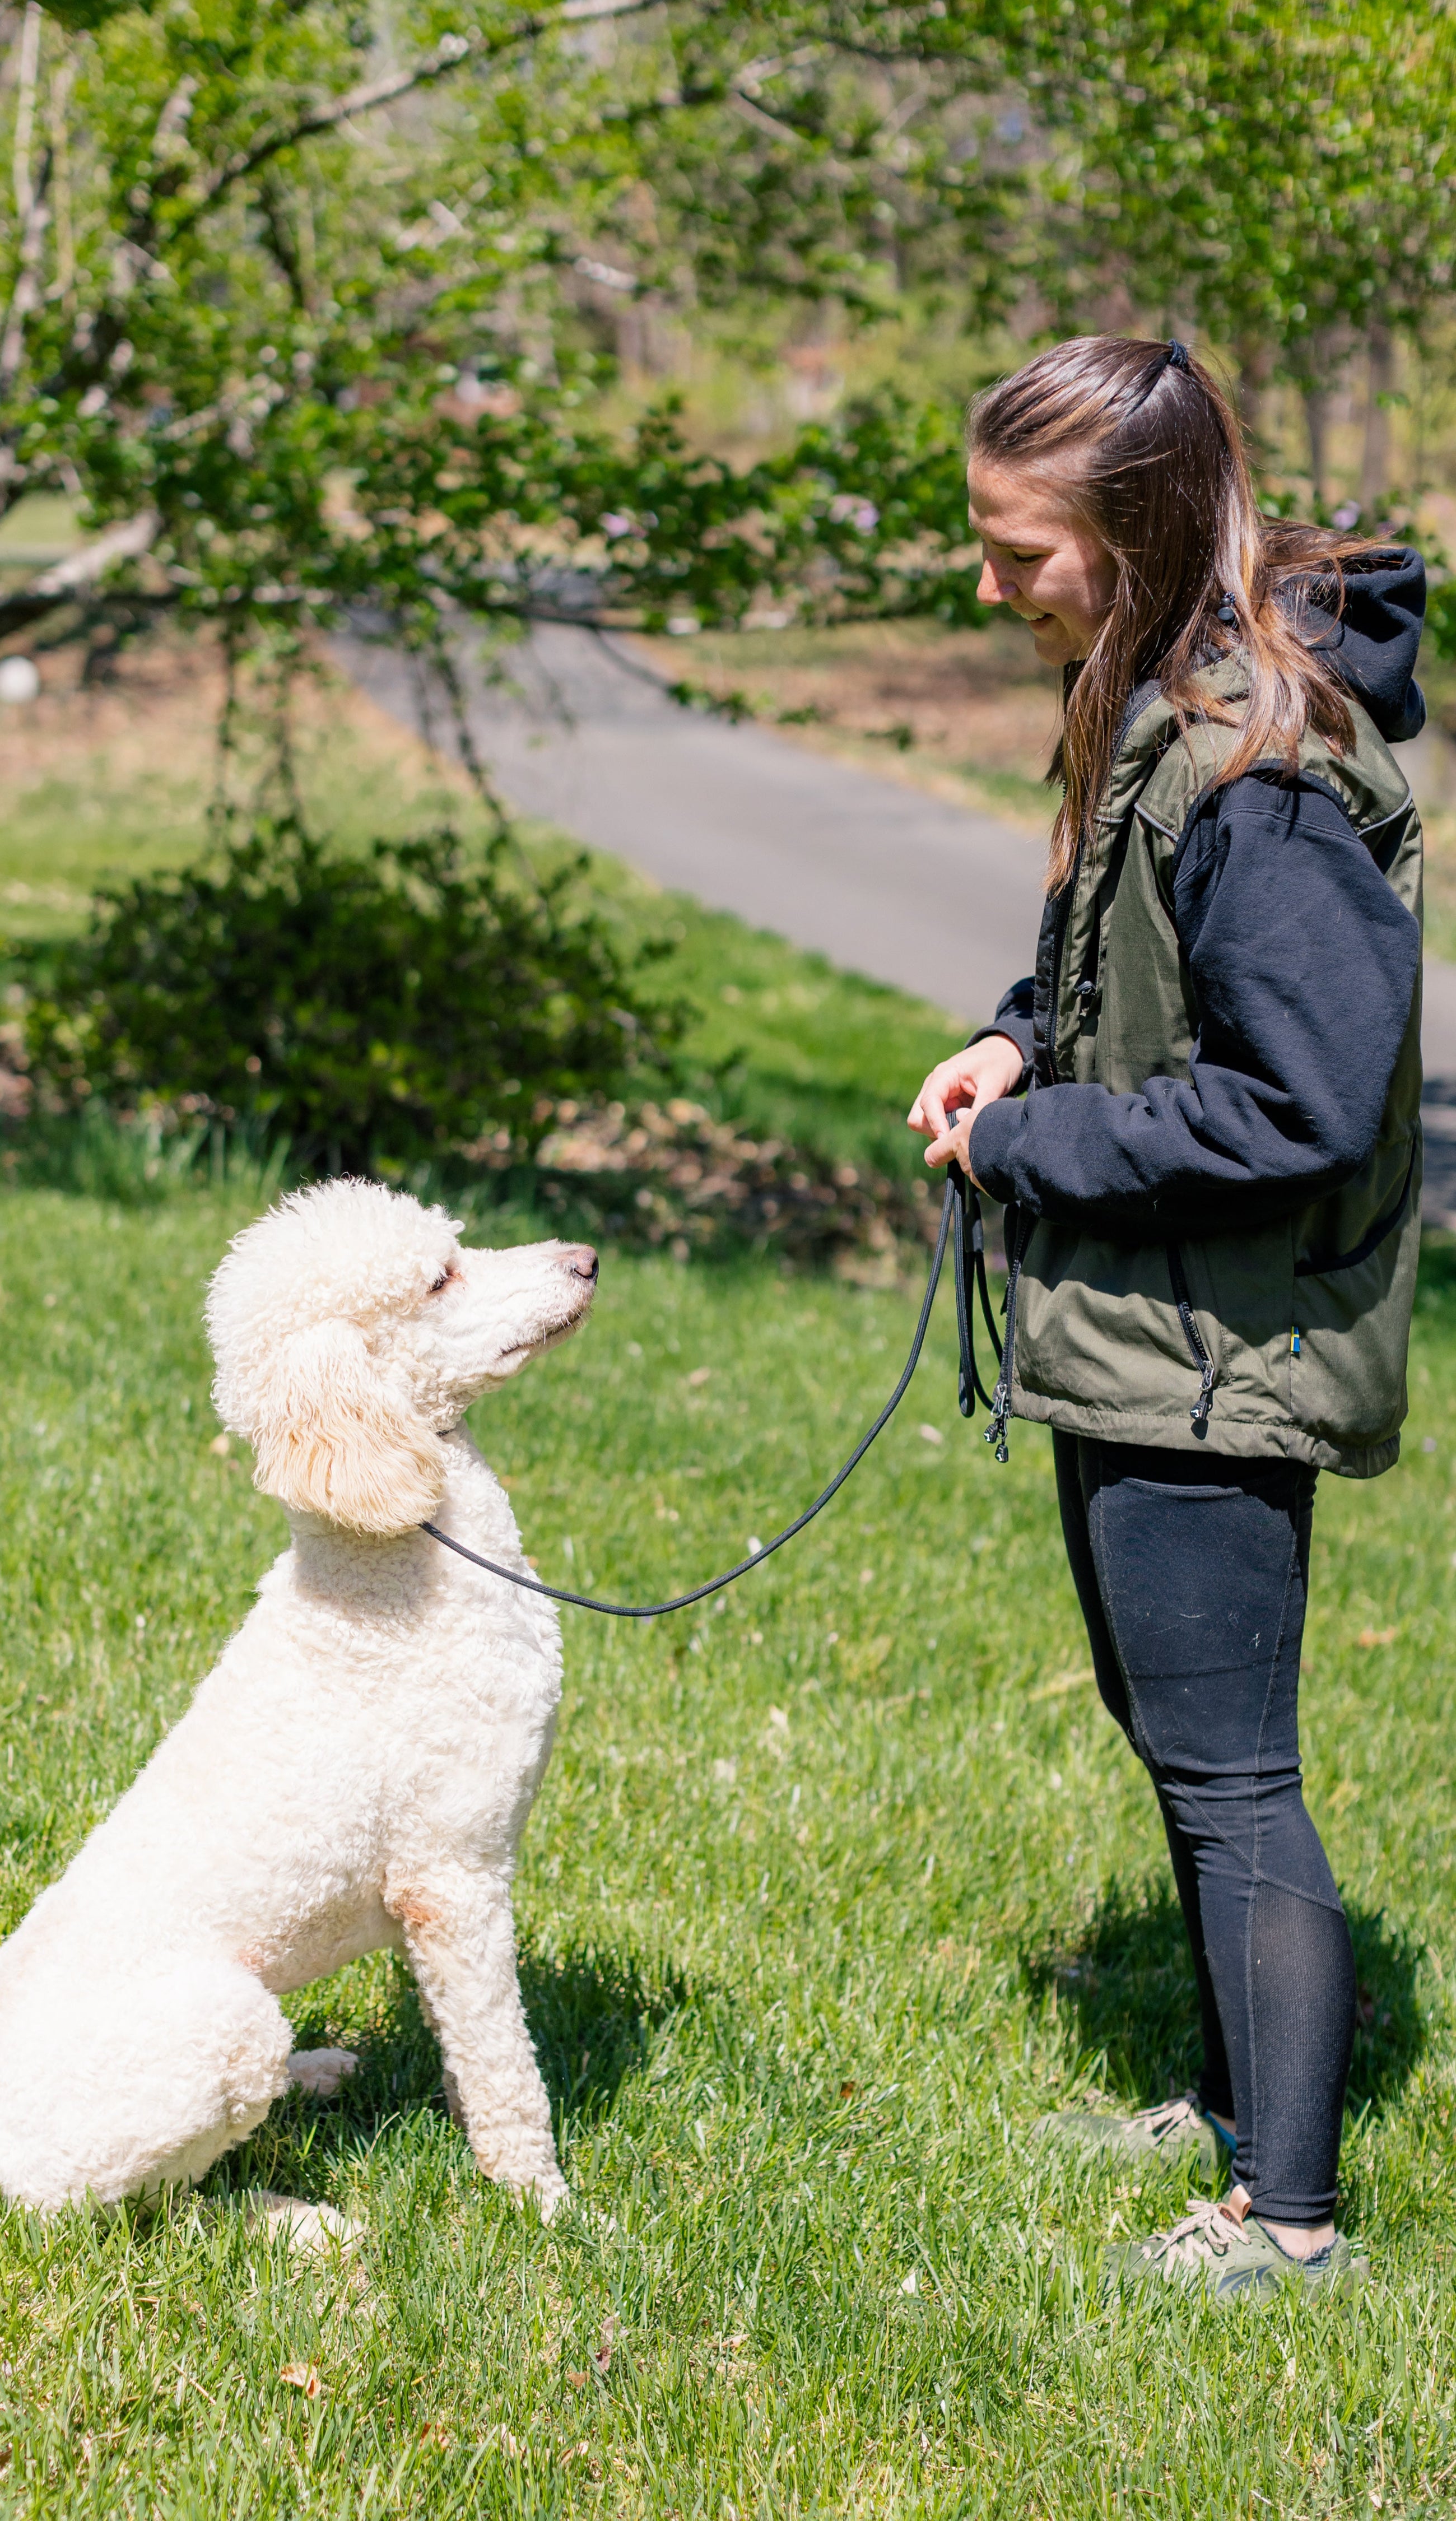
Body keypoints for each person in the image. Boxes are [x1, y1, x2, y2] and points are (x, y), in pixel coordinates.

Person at [909, 334, 1425, 2301]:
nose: (989, 587)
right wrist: (1011, 1033)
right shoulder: (1145, 700)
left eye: (1016, 551)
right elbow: (1107, 962)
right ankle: (1228, 2107)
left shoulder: (1262, 771)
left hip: (1232, 1351)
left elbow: (1300, 1102)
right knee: (1169, 1729)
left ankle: (1288, 2218)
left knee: (1233, 1770)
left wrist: (1038, 1144)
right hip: (1148, 1325)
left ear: (1127, 539)